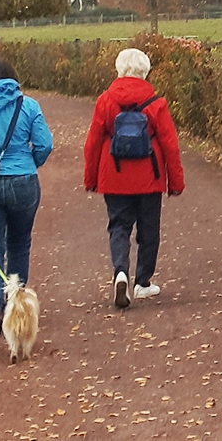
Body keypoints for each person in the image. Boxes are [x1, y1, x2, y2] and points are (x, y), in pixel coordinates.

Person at [83, 48, 184, 309]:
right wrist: (175, 182)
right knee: (149, 229)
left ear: (119, 69)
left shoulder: (105, 101)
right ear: (144, 71)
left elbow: (93, 142)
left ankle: (120, 272)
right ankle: (142, 282)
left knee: (118, 225)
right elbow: (170, 145)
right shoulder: (156, 103)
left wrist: (91, 178)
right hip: (149, 176)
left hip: (114, 175)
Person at [0, 59, 52, 335]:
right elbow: (45, 143)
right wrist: (30, 162)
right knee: (19, 243)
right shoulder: (28, 105)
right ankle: (16, 304)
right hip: (23, 182)